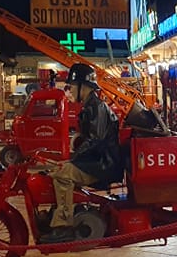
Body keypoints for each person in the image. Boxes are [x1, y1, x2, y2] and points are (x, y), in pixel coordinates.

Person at [39, 63, 122, 244]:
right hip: (98, 161)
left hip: (103, 164)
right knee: (56, 171)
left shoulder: (97, 107)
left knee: (63, 175)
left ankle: (63, 227)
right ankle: (54, 216)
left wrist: (72, 160)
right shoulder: (91, 106)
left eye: (72, 86)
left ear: (83, 86)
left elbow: (95, 141)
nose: (70, 90)